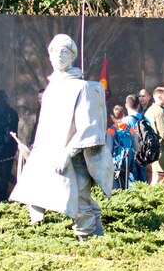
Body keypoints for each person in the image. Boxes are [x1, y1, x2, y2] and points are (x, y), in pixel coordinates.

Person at [10, 33, 113, 239]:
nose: (60, 55)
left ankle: (90, 243)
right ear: (49, 55)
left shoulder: (84, 87)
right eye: (56, 51)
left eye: (65, 51)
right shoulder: (50, 89)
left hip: (74, 158)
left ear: (72, 56)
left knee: (80, 201)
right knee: (44, 197)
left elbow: (88, 128)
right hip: (49, 156)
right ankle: (95, 240)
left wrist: (67, 153)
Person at [0, 90, 20, 200]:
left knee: (6, 173)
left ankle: (12, 193)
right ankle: (3, 196)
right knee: (2, 174)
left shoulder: (11, 113)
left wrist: (6, 144)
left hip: (8, 147)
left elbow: (12, 132)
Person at [106, 105, 134, 189]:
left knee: (116, 186)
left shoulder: (111, 130)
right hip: (129, 162)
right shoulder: (130, 129)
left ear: (111, 117)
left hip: (116, 163)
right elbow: (136, 146)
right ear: (124, 115)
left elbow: (109, 149)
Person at [122, 94, 147, 184]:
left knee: (131, 183)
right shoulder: (145, 119)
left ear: (126, 105)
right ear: (138, 105)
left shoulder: (124, 121)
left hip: (130, 156)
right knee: (143, 181)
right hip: (143, 155)